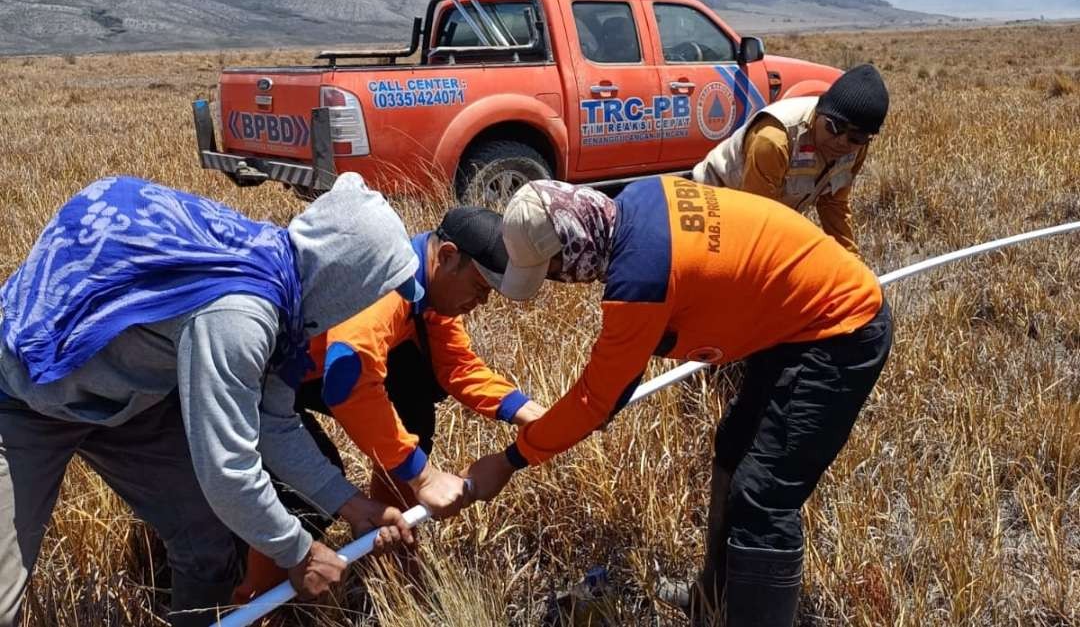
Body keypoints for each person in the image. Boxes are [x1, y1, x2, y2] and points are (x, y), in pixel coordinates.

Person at [465, 176, 893, 627]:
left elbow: (597, 400)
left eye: (552, 270)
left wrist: (511, 459)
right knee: (733, 446)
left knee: (763, 497)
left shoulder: (639, 279)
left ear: (573, 246)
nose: (558, 282)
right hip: (795, 322)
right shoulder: (639, 198)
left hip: (843, 329)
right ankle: (712, 602)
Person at [0, 173, 419, 627]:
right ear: (347, 281)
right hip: (26, 395)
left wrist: (355, 507)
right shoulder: (241, 317)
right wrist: (299, 553)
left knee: (209, 550)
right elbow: (229, 470)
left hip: (131, 400)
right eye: (375, 294)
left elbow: (273, 425)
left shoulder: (284, 291)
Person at [234, 206, 545, 600]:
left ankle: (388, 534)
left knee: (414, 393)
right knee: (309, 482)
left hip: (314, 368)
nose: (481, 303)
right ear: (447, 256)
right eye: (480, 289)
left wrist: (524, 411)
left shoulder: (430, 296)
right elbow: (347, 383)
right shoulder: (386, 285)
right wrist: (424, 476)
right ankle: (257, 599)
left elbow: (455, 363)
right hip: (267, 378)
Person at [691, 63, 889, 256]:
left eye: (857, 137)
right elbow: (758, 220)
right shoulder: (774, 139)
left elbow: (833, 204)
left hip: (762, 218)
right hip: (713, 213)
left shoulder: (856, 149)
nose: (842, 142)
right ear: (819, 112)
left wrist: (851, 262)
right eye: (834, 127)